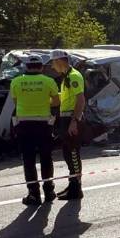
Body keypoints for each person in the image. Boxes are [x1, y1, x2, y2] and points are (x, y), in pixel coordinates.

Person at [9, 55, 60, 206]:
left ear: (26, 67)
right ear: (41, 67)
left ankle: (34, 194)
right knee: (46, 158)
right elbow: (56, 102)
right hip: (44, 124)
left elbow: (16, 101)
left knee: (29, 160)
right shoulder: (48, 81)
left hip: (24, 125)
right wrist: (44, 100)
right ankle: (49, 191)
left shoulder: (16, 81)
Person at [48, 50, 86, 202]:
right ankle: (72, 185)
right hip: (65, 118)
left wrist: (74, 121)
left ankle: (77, 189)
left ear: (59, 61)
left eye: (53, 62)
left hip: (71, 119)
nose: (52, 66)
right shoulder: (65, 77)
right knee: (67, 153)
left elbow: (81, 100)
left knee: (73, 154)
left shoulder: (73, 76)